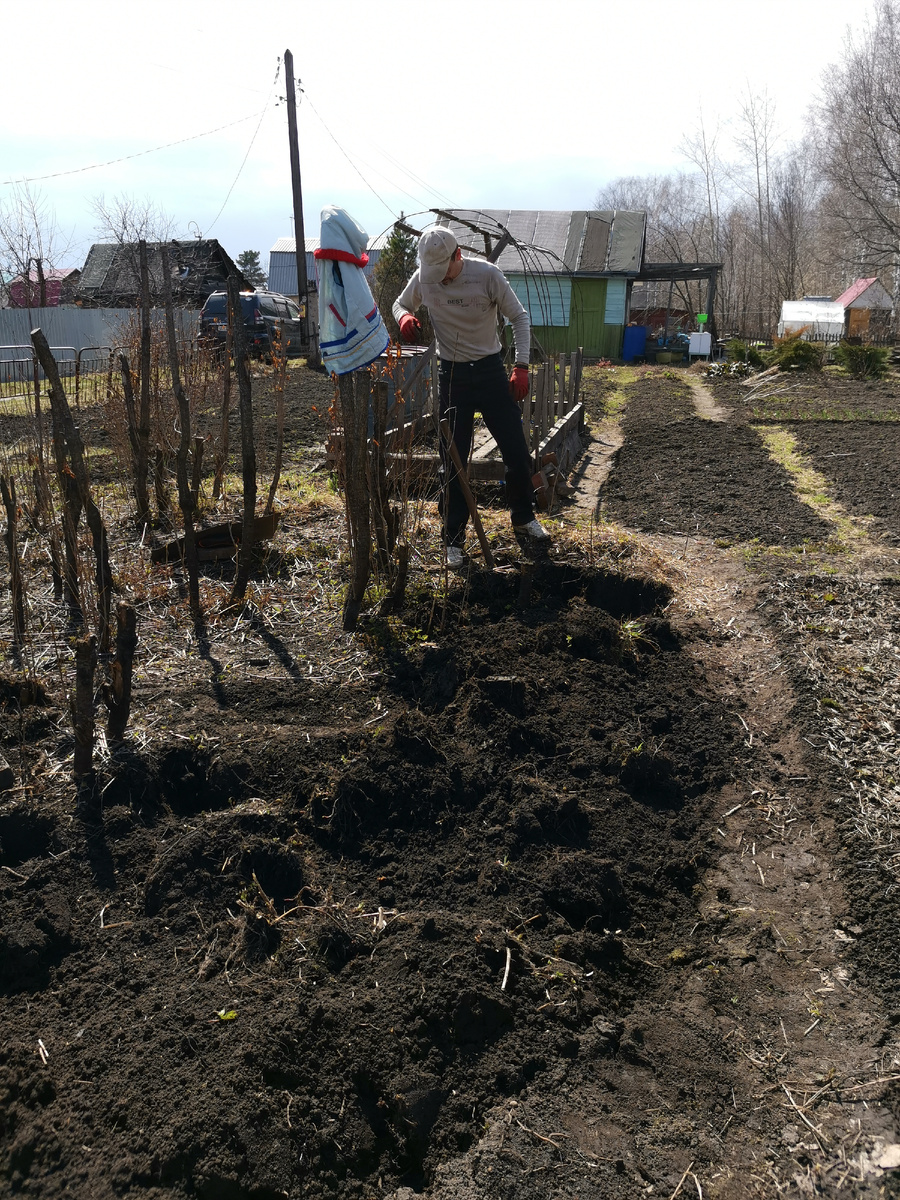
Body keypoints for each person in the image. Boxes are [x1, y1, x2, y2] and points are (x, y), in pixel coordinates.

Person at [392, 226, 549, 567]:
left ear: (457, 255)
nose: (439, 279)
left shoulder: (487, 276)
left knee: (517, 451)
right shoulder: (425, 277)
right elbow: (400, 303)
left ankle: (523, 518)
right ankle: (452, 541)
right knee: (452, 462)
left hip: (490, 372)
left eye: (443, 270)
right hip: (452, 376)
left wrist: (521, 365)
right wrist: (404, 315)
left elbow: (519, 317)